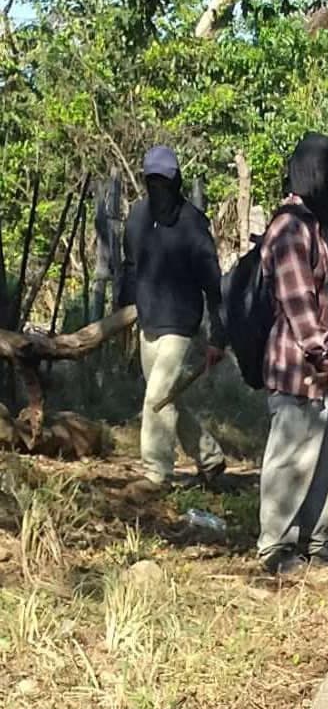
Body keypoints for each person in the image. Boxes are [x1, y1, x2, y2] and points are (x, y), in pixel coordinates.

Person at [257, 132, 328, 575]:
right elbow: (298, 300)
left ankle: (314, 543)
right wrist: (323, 354)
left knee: (324, 459)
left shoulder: (323, 229)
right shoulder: (288, 228)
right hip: (297, 368)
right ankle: (275, 548)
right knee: (290, 458)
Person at [119, 145, 226, 495]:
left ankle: (156, 473)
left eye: (164, 181)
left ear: (176, 180)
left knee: (156, 399)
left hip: (182, 324)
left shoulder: (194, 224)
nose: (158, 188)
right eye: (152, 181)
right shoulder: (136, 218)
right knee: (165, 400)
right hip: (148, 320)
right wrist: (124, 314)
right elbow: (131, 268)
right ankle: (210, 457)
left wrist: (217, 337)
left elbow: (213, 284)